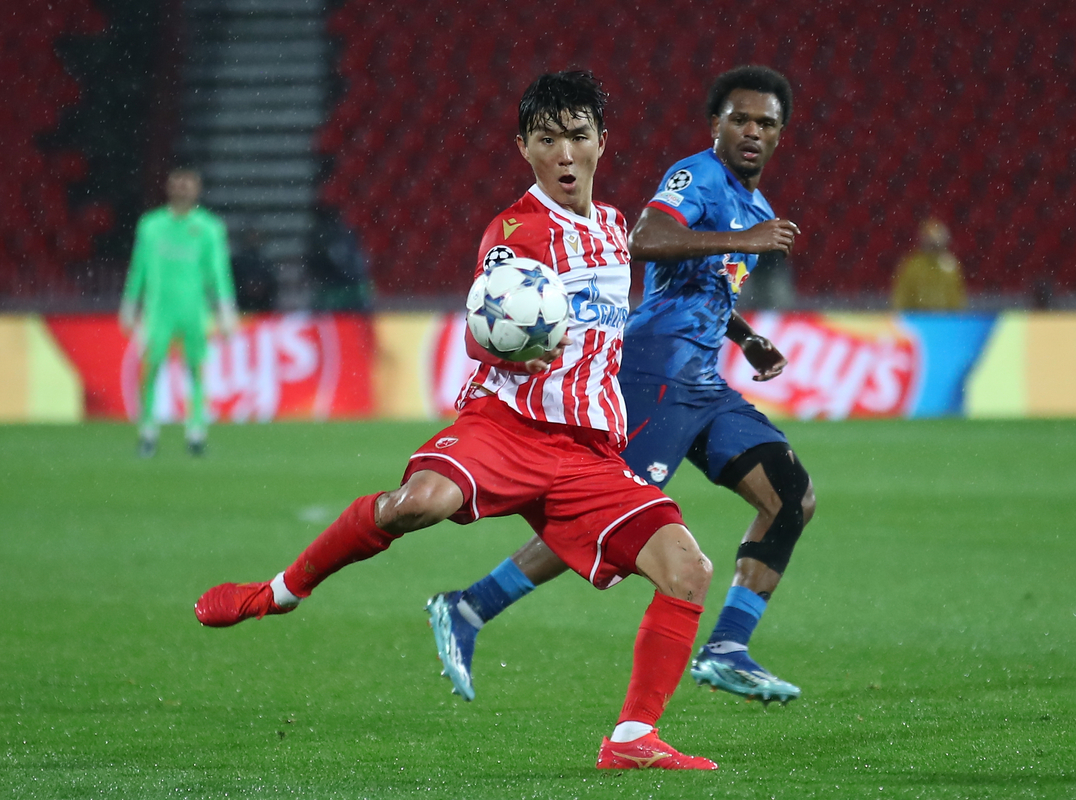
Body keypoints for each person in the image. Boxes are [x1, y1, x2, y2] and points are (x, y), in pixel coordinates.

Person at [193, 71, 718, 771]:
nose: (564, 153)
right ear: (523, 149)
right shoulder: (514, 233)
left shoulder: (618, 229)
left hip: (591, 449)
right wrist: (518, 345)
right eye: (546, 139)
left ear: (602, 142)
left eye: (577, 136)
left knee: (688, 569)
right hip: (507, 424)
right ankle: (281, 592)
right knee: (420, 503)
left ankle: (630, 740)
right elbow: (480, 325)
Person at [428, 65, 816, 708]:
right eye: (739, 119)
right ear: (715, 126)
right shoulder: (698, 177)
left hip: (702, 379)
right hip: (651, 370)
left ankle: (728, 647)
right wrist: (744, 239)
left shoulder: (758, 208)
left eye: (765, 123)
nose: (751, 131)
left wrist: (744, 336)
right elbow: (648, 238)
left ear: (781, 135)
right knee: (608, 514)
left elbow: (711, 283)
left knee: (791, 497)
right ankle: (469, 606)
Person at [119, 168, 237, 457]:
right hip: (158, 311)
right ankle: (148, 432)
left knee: (196, 371)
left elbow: (218, 272)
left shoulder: (209, 228)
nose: (183, 189)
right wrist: (130, 303)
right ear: (169, 188)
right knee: (151, 369)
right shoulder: (151, 225)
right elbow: (139, 267)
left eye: (188, 184)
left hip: (194, 312)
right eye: (178, 184)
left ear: (197, 189)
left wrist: (225, 308)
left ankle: (195, 433)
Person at [890, 217, 967, 311]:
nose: (933, 242)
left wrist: (954, 318)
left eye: (936, 238)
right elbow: (902, 297)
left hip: (944, 320)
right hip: (918, 320)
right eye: (930, 238)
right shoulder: (911, 265)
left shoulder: (950, 265)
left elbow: (957, 298)